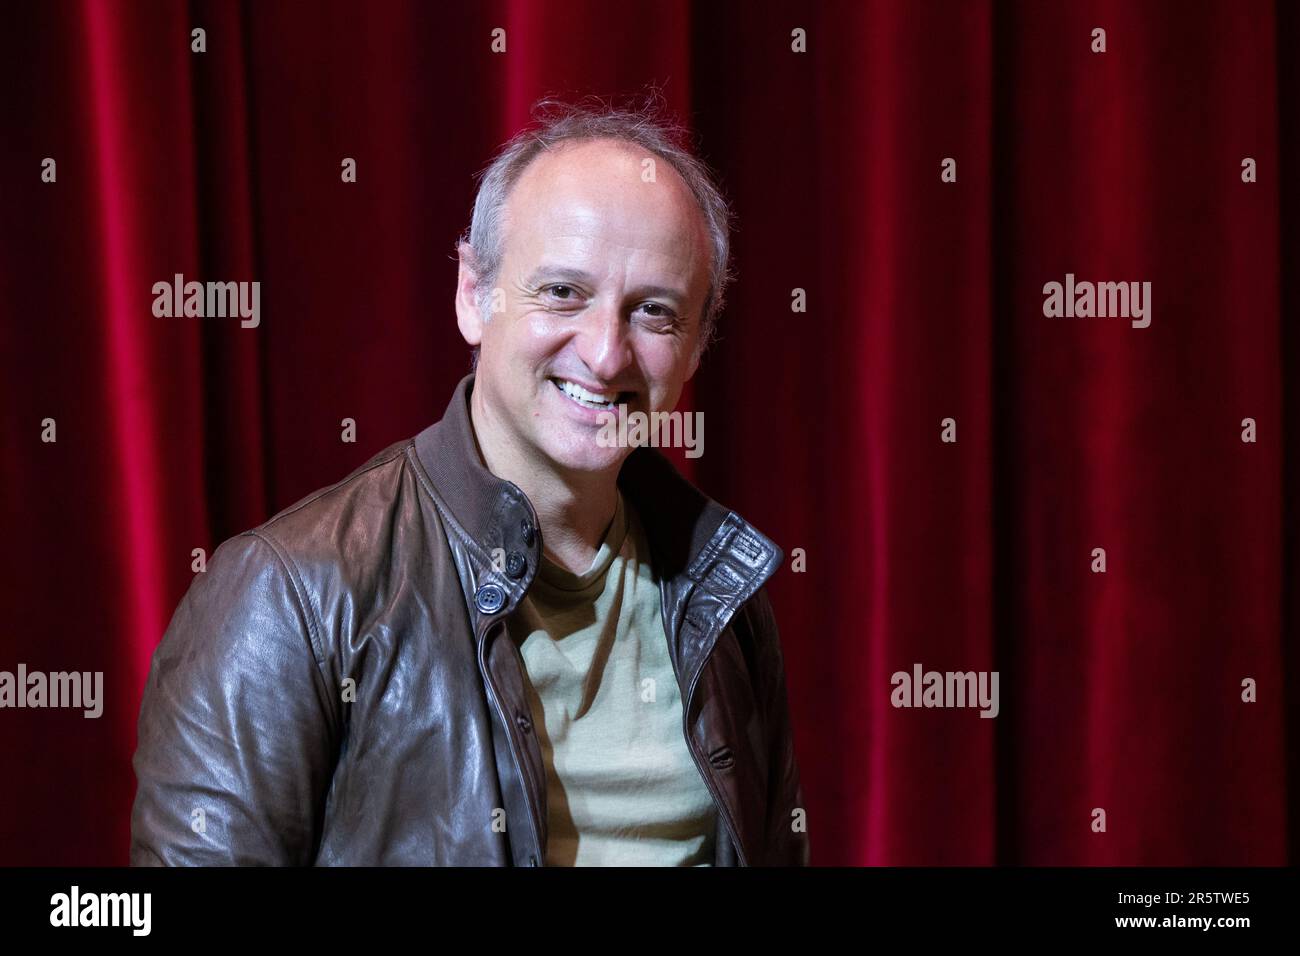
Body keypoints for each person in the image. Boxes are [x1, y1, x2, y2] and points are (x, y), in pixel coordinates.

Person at [129, 97, 810, 866]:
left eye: (653, 312)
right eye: (563, 292)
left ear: (695, 348)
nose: (605, 353)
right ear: (472, 295)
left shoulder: (723, 596)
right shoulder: (289, 593)